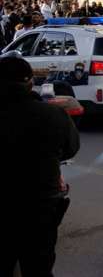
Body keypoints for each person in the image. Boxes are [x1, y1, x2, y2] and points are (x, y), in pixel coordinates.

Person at [0, 56, 79, 277]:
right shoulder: (53, 114)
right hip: (41, 206)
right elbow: (71, 148)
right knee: (39, 267)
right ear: (29, 83)